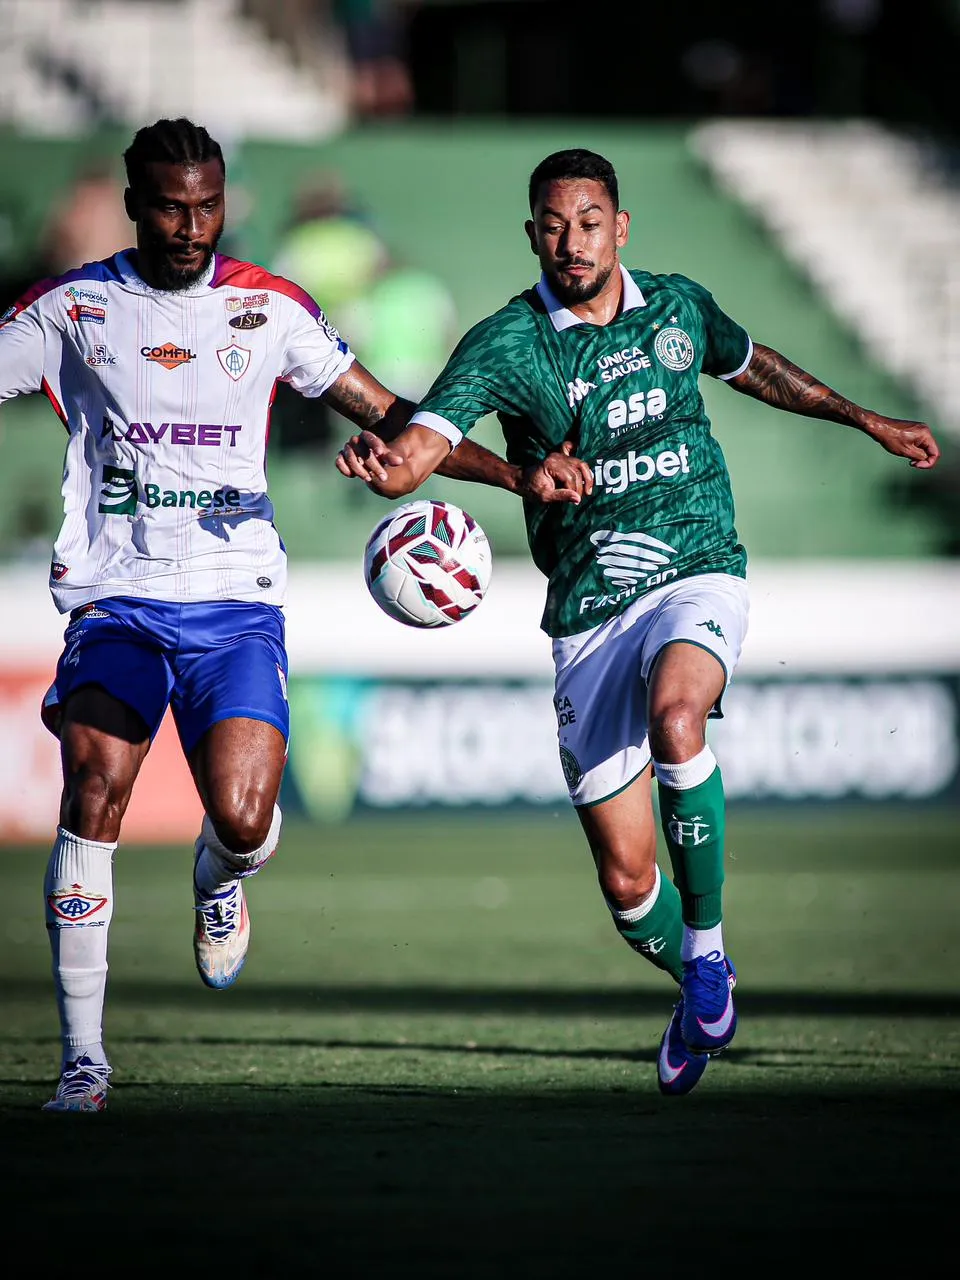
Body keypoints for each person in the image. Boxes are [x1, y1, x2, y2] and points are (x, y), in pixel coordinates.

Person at [0, 118, 585, 1114]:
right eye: (172, 206)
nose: (191, 225)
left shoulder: (270, 310)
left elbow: (395, 414)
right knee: (93, 790)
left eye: (209, 204)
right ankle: (84, 1062)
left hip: (236, 605)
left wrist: (516, 472)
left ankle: (219, 877)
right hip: (116, 600)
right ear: (137, 205)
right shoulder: (71, 308)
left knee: (241, 817)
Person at [335, 147, 941, 1096]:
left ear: (620, 227)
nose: (571, 242)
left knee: (678, 721)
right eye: (552, 224)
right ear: (531, 232)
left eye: (589, 222)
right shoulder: (508, 344)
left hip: (697, 566)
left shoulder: (678, 306)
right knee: (626, 888)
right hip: (587, 611)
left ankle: (707, 955)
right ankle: (697, 979)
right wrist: (396, 468)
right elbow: (420, 447)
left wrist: (868, 419)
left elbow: (758, 367)